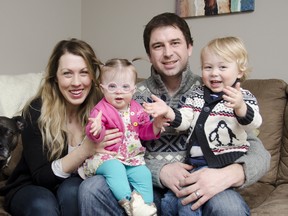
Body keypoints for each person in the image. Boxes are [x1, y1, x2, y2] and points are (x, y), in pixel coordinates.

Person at [78, 12, 270, 216]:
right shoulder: (130, 95)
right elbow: (113, 148)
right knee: (91, 189)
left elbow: (259, 153)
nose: (168, 53)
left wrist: (231, 173)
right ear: (149, 55)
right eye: (158, 46)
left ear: (189, 48)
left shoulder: (214, 91)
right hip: (143, 185)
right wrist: (159, 171)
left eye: (175, 43)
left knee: (229, 207)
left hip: (201, 182)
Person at [0, 38, 122, 216]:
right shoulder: (35, 110)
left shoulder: (103, 106)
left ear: (92, 75)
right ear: (55, 77)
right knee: (43, 207)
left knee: (75, 193)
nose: (76, 82)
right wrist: (85, 150)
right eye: (67, 73)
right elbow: (41, 177)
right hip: (32, 185)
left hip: (76, 182)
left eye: (83, 72)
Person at [143, 36, 263, 215]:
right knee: (180, 203)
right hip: (195, 166)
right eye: (208, 67)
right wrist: (168, 112)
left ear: (239, 71)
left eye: (222, 67)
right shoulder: (196, 95)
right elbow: (184, 120)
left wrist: (240, 107)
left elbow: (254, 124)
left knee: (197, 203)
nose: (214, 73)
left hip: (223, 166)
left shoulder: (242, 97)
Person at [79, 58, 166, 216]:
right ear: (102, 88)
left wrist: (155, 126)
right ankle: (130, 204)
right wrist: (96, 129)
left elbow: (143, 132)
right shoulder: (101, 110)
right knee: (116, 169)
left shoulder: (136, 108)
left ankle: (146, 209)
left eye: (125, 87)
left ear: (133, 89)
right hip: (106, 158)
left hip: (131, 159)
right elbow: (93, 136)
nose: (119, 91)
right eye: (112, 86)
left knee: (143, 174)